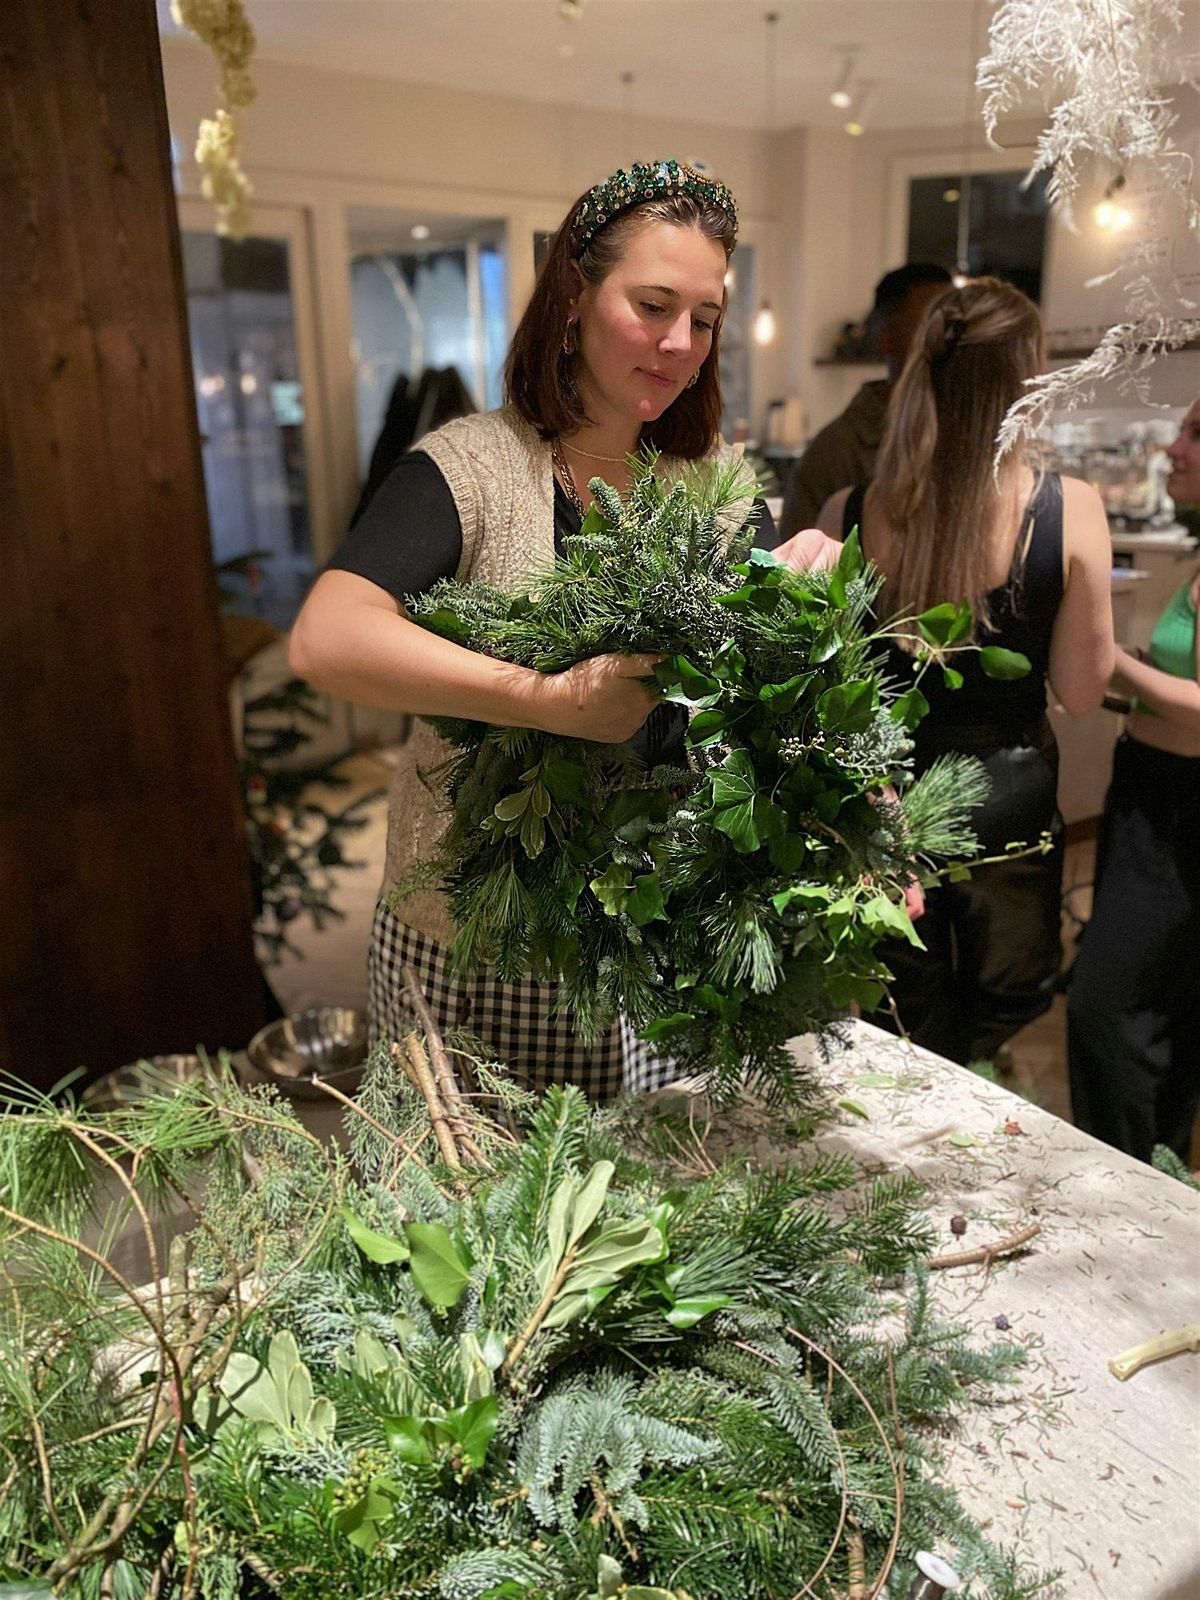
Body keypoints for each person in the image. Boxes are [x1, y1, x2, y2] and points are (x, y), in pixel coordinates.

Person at [289, 160, 792, 1100]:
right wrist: (551, 702)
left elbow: (748, 694)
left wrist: (800, 605)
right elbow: (326, 637)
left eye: (706, 318)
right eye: (652, 305)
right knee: (465, 1219)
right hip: (474, 943)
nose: (681, 343)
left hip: (652, 940)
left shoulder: (718, 484)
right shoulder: (470, 469)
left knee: (639, 1217)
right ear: (573, 299)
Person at [814, 276, 1115, 1066]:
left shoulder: (849, 513)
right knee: (1002, 1008)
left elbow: (825, 700)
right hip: (1007, 827)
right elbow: (1083, 693)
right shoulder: (1068, 509)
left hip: (885, 822)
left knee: (899, 1024)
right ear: (1030, 380)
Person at [1068, 397, 1200, 1164]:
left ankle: (1122, 1186)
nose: (1171, 450)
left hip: (1182, 815)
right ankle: (1164, 1189)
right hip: (1152, 798)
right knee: (1165, 1017)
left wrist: (1110, 658)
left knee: (1106, 1014)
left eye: (1195, 433)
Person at [778, 262, 953, 538]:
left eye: (956, 326)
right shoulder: (833, 455)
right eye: (933, 325)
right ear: (886, 340)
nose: (950, 339)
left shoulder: (961, 433)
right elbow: (793, 572)